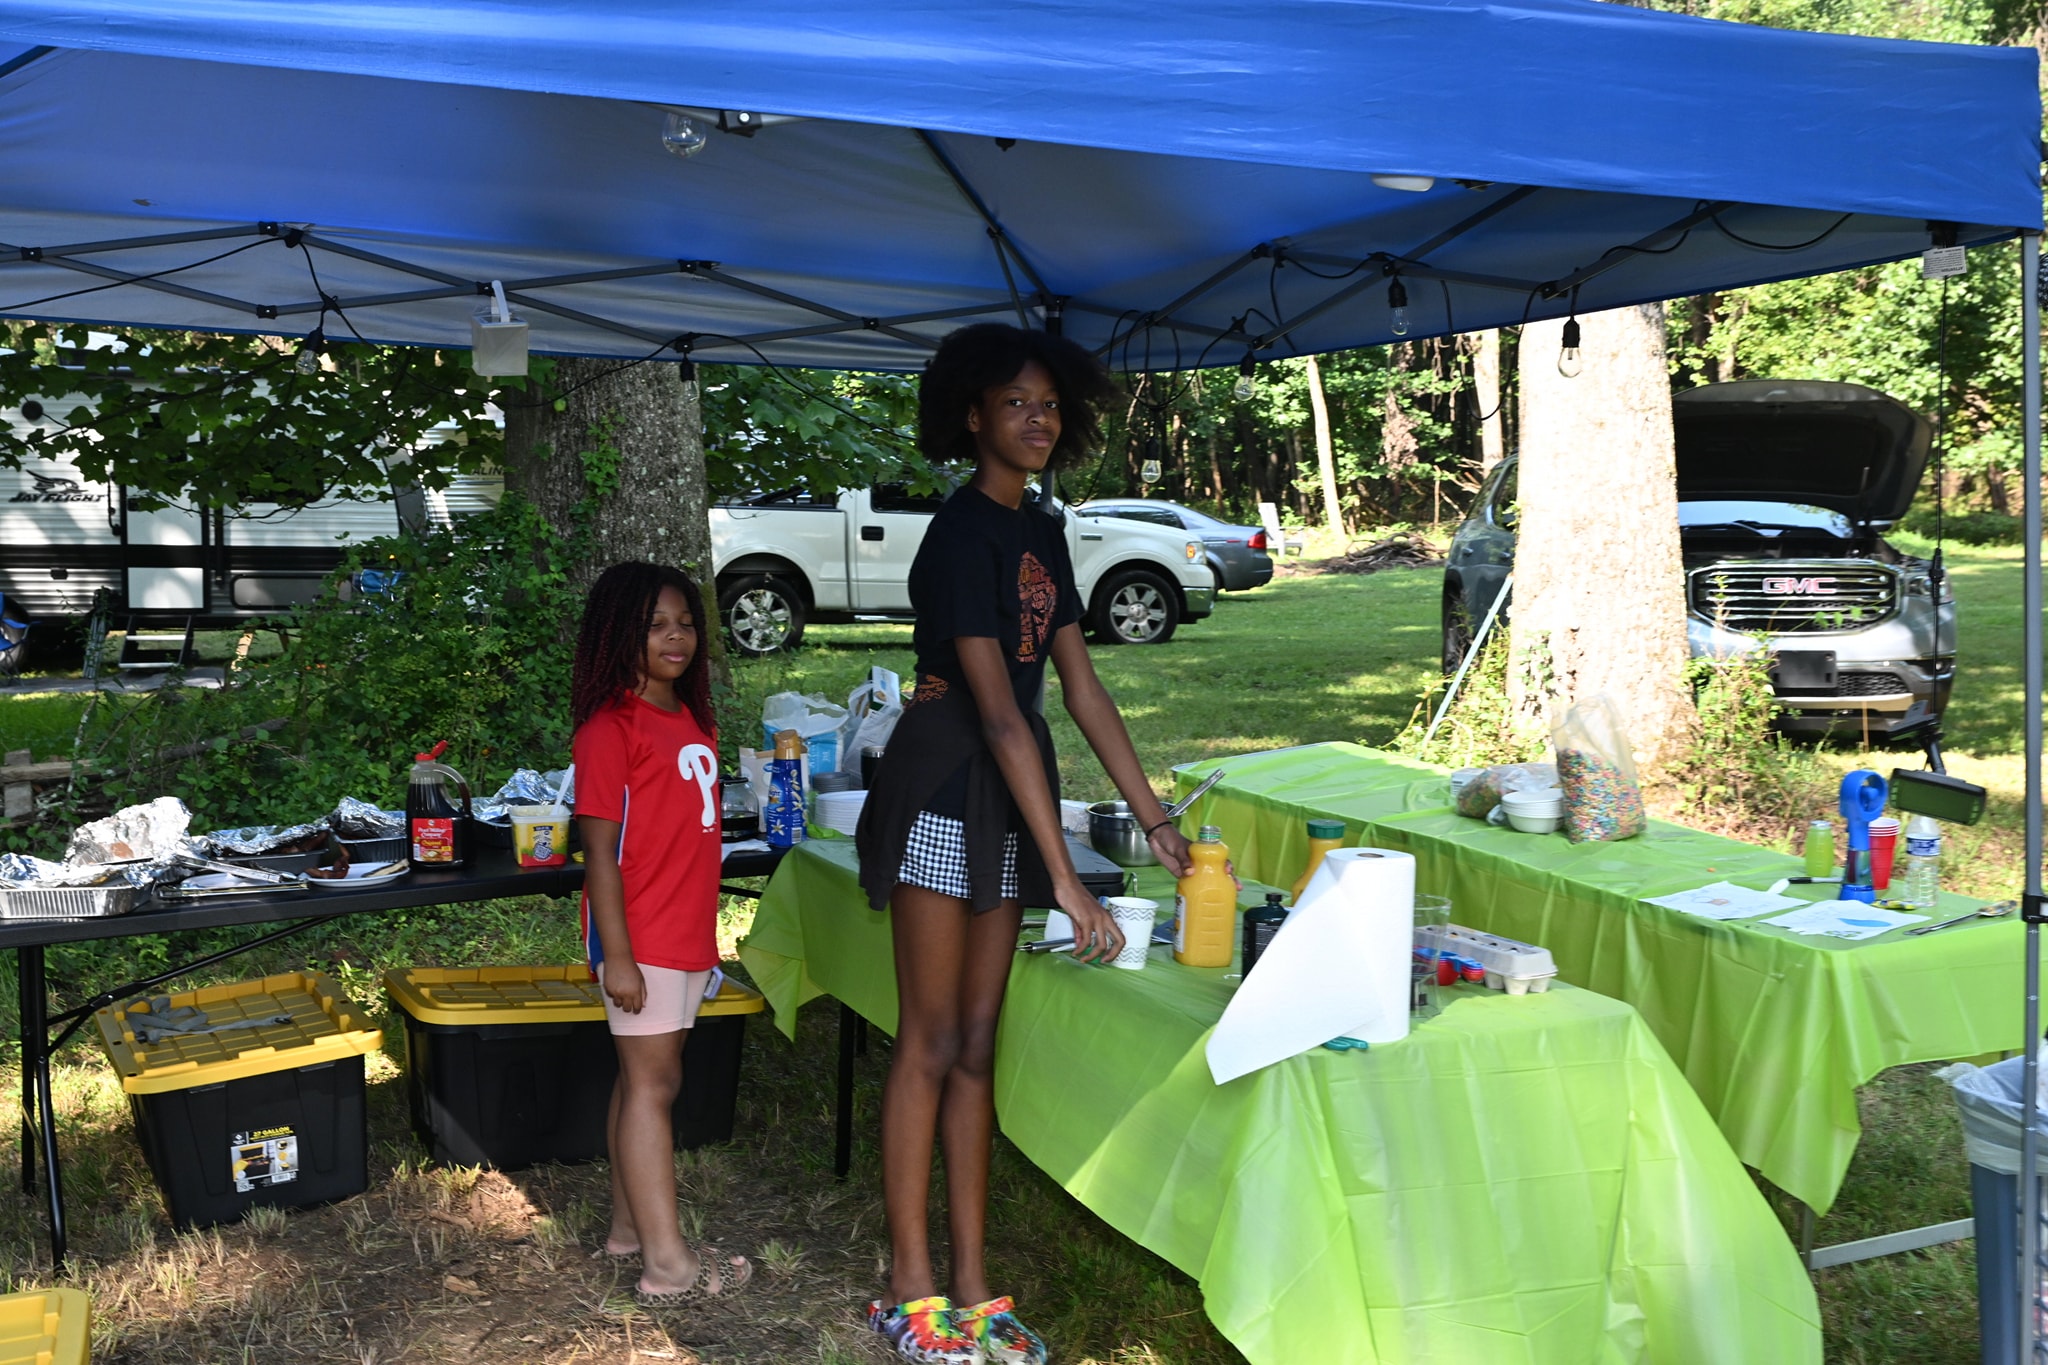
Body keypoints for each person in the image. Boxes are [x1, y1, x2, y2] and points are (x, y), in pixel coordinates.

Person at [856, 325, 1194, 1365]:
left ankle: (970, 1279)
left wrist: (1154, 819)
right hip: (946, 785)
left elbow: (1079, 688)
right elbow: (998, 714)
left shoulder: (1042, 533)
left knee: (976, 1046)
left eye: (1048, 405)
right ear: (971, 416)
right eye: (1014, 403)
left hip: (1009, 793)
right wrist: (1068, 883)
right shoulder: (956, 536)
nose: (1036, 419)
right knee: (928, 1040)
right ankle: (909, 1288)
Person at [571, 561, 753, 1307]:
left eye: (684, 622)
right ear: (619, 635)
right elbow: (601, 855)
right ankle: (669, 1265)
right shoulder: (610, 729)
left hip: (684, 933)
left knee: (650, 1078)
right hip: (637, 937)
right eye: (655, 625)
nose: (675, 636)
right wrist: (617, 954)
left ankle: (627, 1228)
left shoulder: (693, 719)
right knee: (653, 1085)